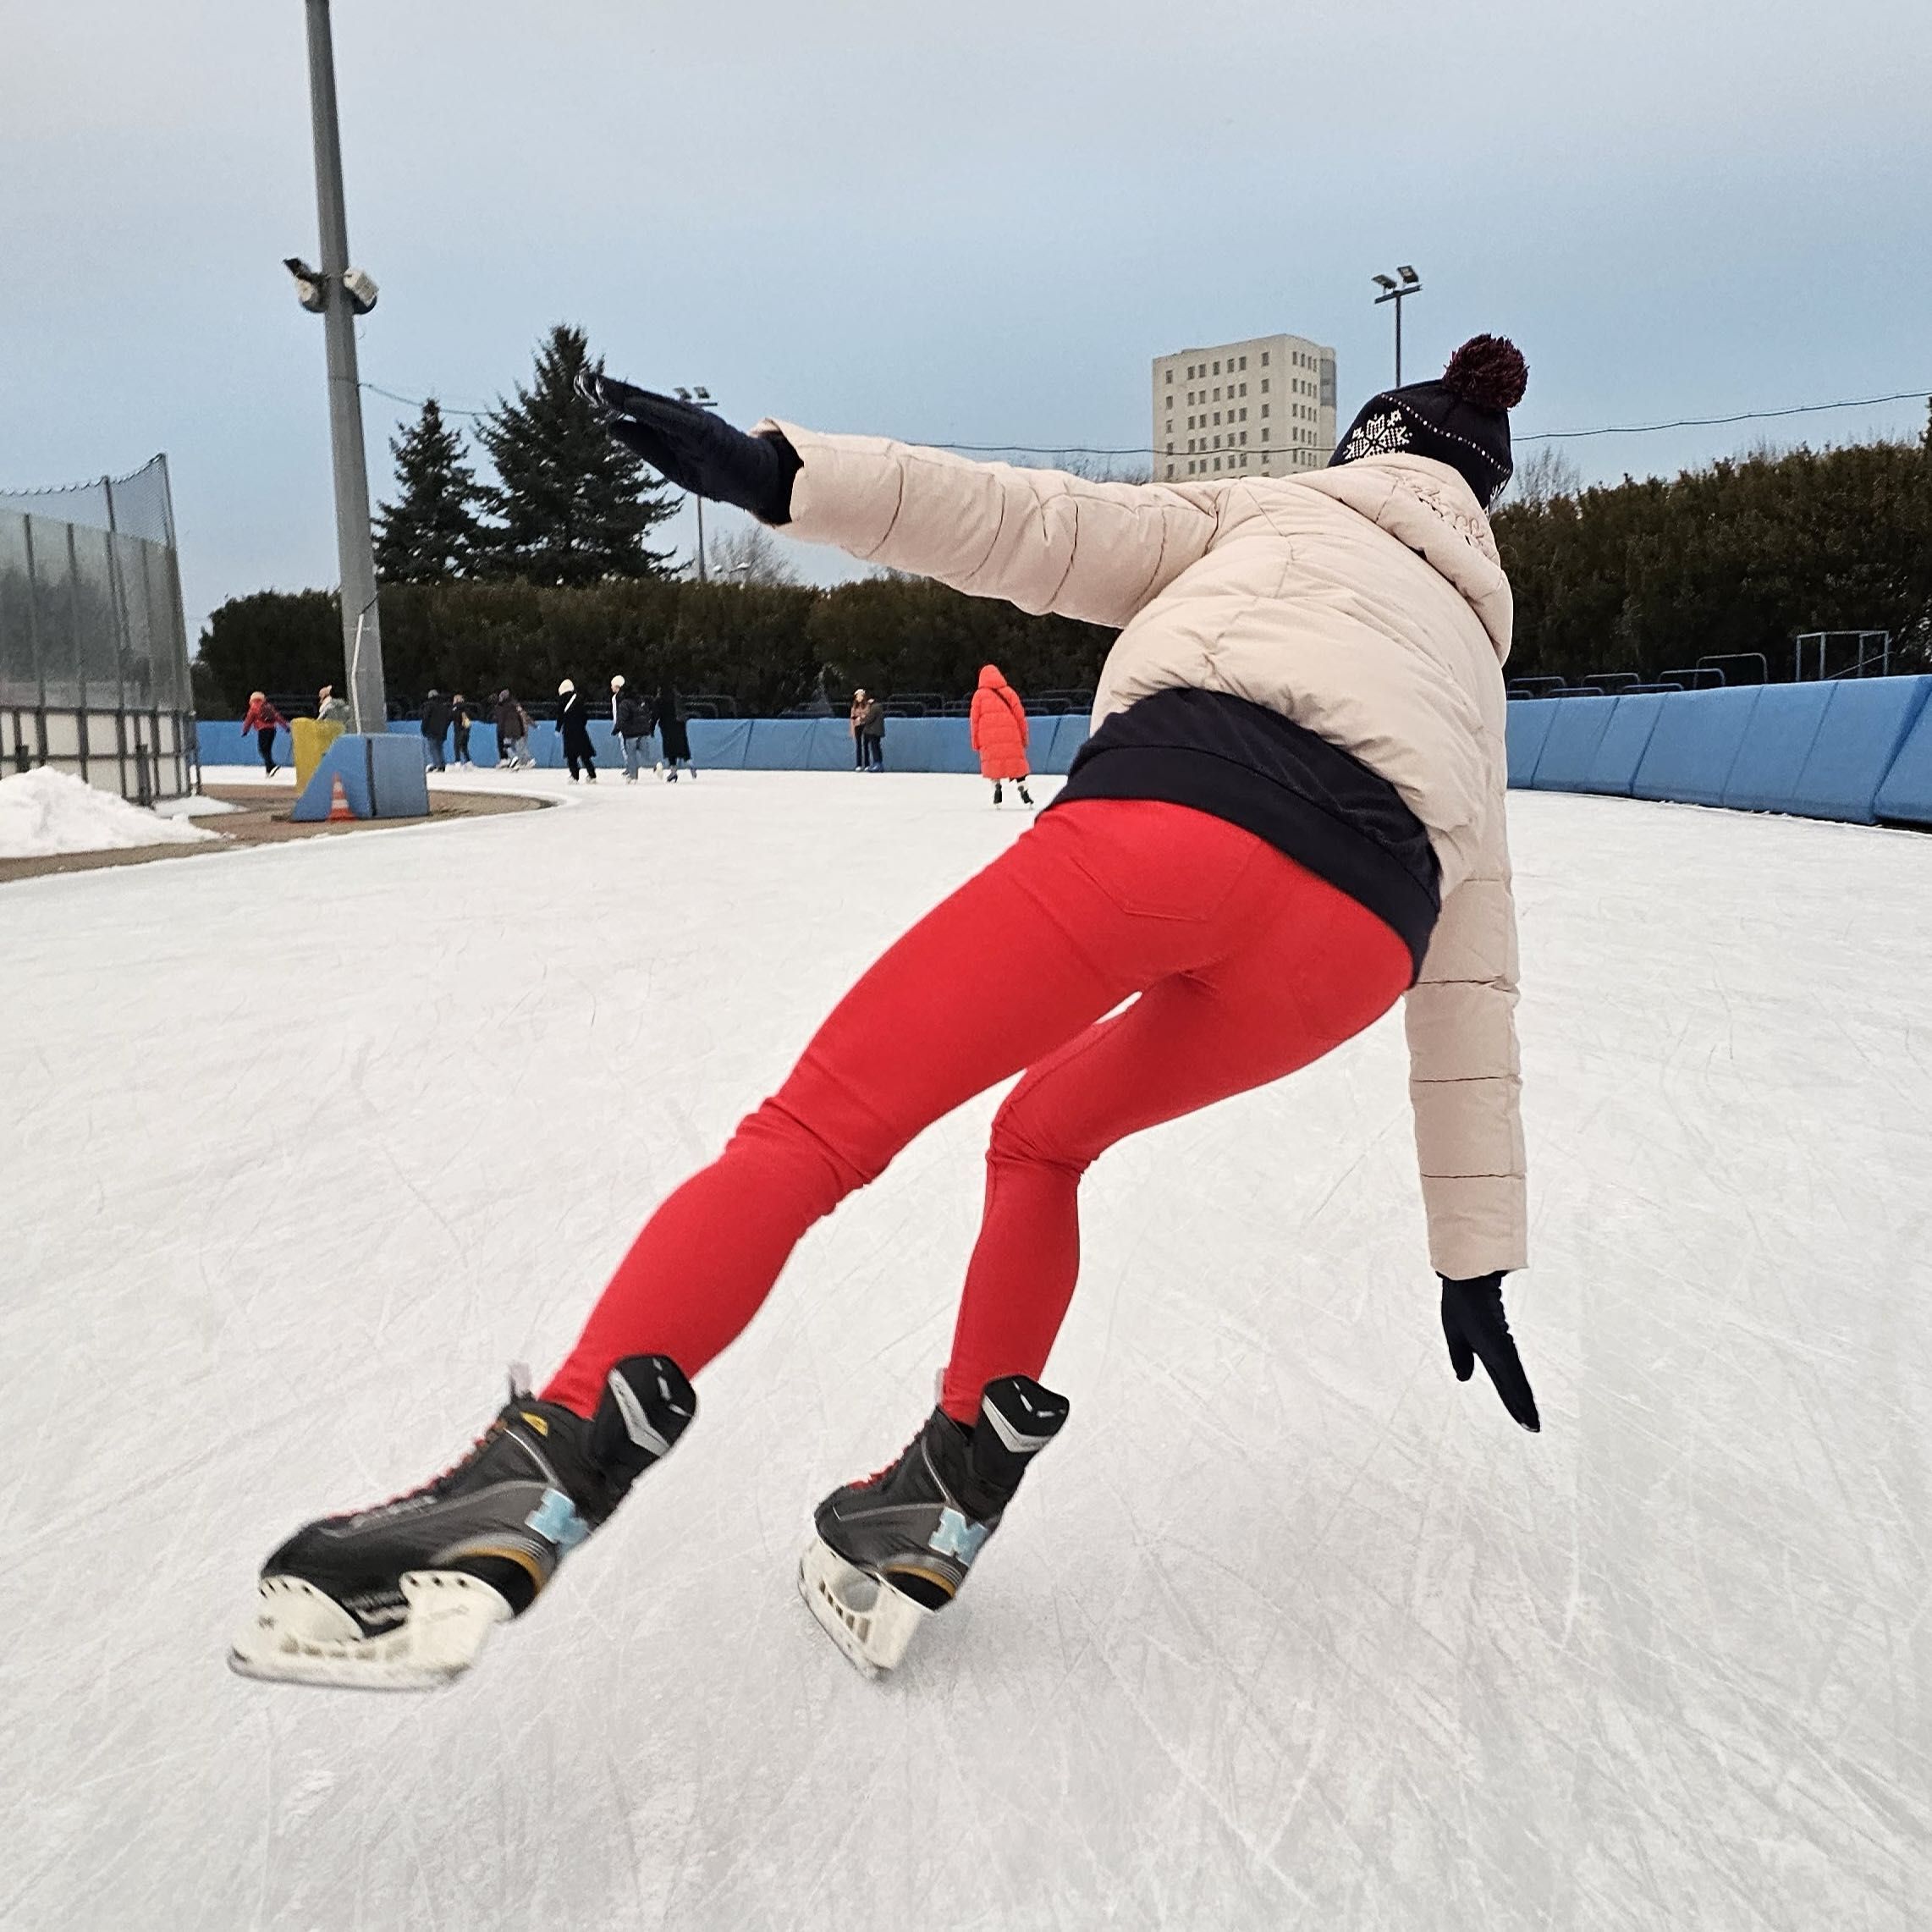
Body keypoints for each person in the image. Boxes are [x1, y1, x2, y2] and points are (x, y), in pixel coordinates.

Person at [234, 339, 1539, 1692]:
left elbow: (1028, 521)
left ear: (1360, 455)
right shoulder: (1470, 666)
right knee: (1042, 1136)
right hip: (1348, 946)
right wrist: (1471, 1253)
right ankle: (951, 1475)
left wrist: (786, 476)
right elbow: (1472, 969)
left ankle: (549, 1458)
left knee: (813, 1129)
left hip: (1179, 824)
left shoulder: (1271, 509)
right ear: (1477, 507)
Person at [970, 663, 1033, 807]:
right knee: (1017, 765)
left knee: (994, 766)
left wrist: (975, 742)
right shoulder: (1009, 692)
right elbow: (1020, 716)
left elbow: (974, 721)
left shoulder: (978, 696)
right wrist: (1024, 738)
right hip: (1012, 736)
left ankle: (997, 788)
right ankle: (1024, 790)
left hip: (988, 740)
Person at [613, 674, 653, 783]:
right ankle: (656, 764)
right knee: (645, 753)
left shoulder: (624, 703)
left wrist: (616, 729)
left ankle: (633, 776)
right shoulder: (640, 701)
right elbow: (646, 715)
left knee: (631, 755)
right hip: (643, 732)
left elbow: (621, 719)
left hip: (630, 733)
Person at [558, 679, 597, 782]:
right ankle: (592, 775)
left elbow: (560, 715)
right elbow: (585, 715)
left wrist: (558, 728)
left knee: (571, 756)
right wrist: (580, 725)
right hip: (580, 731)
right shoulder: (579, 699)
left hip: (568, 731)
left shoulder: (562, 700)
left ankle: (575, 776)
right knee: (585, 755)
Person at [240, 692, 288, 775]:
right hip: (273, 730)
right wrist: (286, 727)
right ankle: (269, 770)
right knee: (268, 750)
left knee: (262, 749)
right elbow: (277, 717)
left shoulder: (253, 708)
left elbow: (248, 720)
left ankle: (272, 765)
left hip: (263, 730)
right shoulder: (268, 706)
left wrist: (245, 731)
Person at [654, 682, 693, 782]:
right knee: (684, 748)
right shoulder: (677, 697)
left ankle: (673, 772)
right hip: (679, 726)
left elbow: (656, 714)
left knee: (671, 752)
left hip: (667, 728)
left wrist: (651, 727)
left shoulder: (660, 700)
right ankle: (691, 764)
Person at [493, 689, 532, 769]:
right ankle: (528, 760)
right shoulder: (515, 706)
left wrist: (501, 731)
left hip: (508, 730)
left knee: (507, 746)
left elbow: (501, 721)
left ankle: (514, 759)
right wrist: (522, 730)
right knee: (520, 745)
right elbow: (521, 718)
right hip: (517, 729)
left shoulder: (503, 707)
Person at [421, 691, 454, 773]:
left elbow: (426, 718)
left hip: (431, 731)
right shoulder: (443, 706)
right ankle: (441, 764)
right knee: (439, 748)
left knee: (432, 749)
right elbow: (448, 719)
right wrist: (444, 729)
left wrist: (423, 729)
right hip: (442, 731)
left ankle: (438, 765)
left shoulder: (429, 706)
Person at [857, 692, 886, 771]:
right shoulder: (878, 707)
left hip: (874, 731)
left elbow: (870, 718)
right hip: (877, 731)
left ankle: (877, 764)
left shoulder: (874, 707)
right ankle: (879, 764)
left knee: (875, 748)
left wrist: (862, 719)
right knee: (877, 747)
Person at [848, 689, 871, 770]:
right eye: (857, 696)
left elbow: (867, 715)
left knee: (866, 745)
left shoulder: (867, 705)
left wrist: (860, 718)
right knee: (858, 745)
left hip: (865, 726)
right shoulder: (854, 707)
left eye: (860, 695)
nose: (859, 697)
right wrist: (852, 730)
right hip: (857, 726)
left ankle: (867, 765)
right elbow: (852, 717)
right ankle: (859, 765)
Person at [451, 695, 476, 768]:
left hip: (459, 730)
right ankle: (468, 762)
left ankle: (457, 762)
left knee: (457, 746)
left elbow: (452, 716)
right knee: (464, 747)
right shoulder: (467, 708)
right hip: (466, 730)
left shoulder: (456, 708)